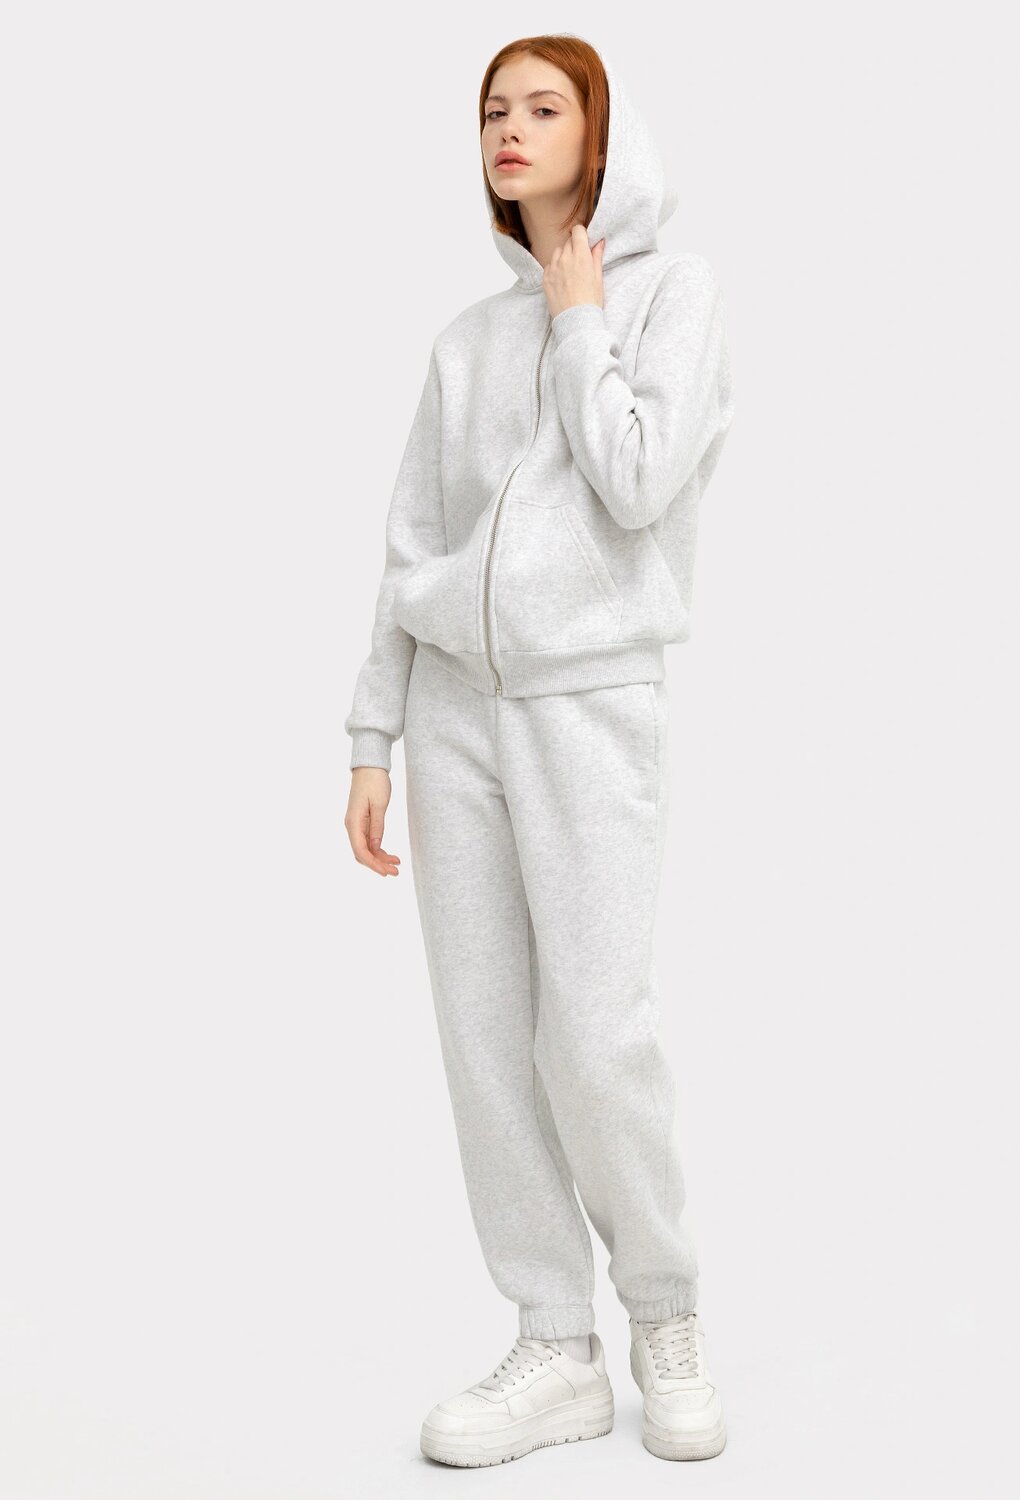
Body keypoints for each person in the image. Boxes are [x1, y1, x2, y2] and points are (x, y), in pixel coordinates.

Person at [343, 34, 734, 1466]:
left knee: (597, 1030)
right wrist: (373, 729)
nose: (509, 129)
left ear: (601, 133)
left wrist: (581, 321)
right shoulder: (461, 343)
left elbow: (635, 483)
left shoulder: (674, 298)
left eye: (543, 106)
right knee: (484, 1038)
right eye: (492, 110)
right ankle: (555, 1341)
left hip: (588, 705)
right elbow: (410, 545)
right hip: (453, 713)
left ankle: (664, 1311)